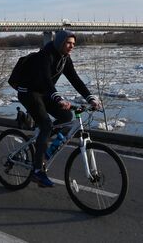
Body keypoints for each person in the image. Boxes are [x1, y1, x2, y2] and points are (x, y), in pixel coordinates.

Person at [10, 30, 101, 187]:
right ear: (60, 42)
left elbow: (75, 80)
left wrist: (90, 98)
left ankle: (43, 144)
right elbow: (46, 80)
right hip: (28, 92)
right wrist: (58, 98)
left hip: (44, 93)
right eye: (68, 43)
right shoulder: (45, 55)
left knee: (66, 117)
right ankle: (37, 172)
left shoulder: (65, 58)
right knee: (46, 124)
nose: (71, 46)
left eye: (73, 44)